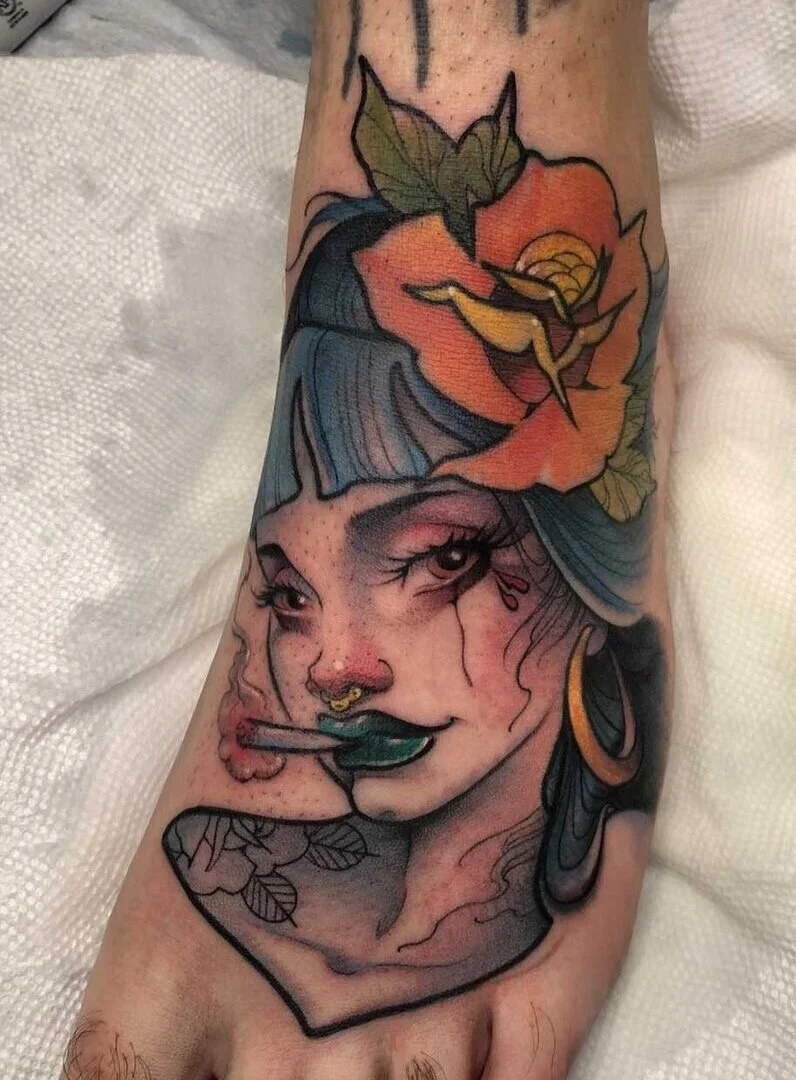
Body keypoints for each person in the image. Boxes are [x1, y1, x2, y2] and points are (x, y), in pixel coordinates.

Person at [64, 2, 672, 1076]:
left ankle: (537, 61)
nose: (334, 674)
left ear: (584, 547)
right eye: (289, 594)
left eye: (440, 559)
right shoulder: (237, 865)